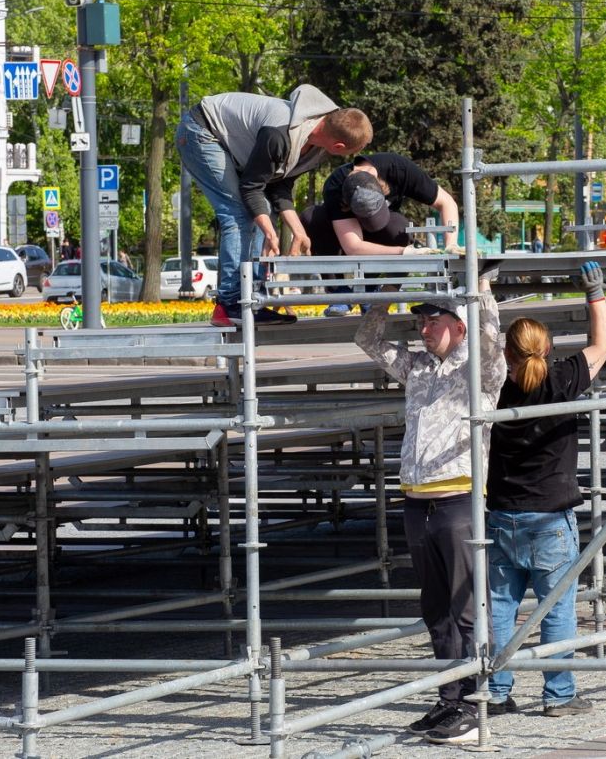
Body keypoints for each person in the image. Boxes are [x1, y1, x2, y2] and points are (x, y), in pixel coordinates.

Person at [356, 274, 506, 745]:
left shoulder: (478, 367)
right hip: (417, 500)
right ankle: (448, 699)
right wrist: (384, 297)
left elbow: (490, 337)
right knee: (435, 607)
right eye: (420, 319)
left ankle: (476, 700)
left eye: (433, 319)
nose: (423, 327)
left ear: (459, 325)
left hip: (458, 497)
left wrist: (479, 290)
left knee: (465, 606)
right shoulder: (419, 367)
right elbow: (368, 340)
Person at [484, 261, 606, 719]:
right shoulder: (562, 380)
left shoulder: (494, 388)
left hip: (502, 513)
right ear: (548, 348)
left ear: (507, 352)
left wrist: (482, 289)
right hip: (551, 516)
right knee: (556, 608)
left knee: (500, 608)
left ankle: (496, 693)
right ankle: (558, 696)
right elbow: (604, 344)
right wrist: (594, 293)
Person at [176, 84, 373, 327]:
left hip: (229, 146)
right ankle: (229, 304)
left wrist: (298, 231)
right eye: (345, 154)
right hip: (202, 130)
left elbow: (279, 188)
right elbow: (251, 188)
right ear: (339, 146)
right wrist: (270, 233)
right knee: (238, 214)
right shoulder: (280, 133)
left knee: (260, 212)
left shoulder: (314, 149)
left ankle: (253, 298)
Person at [301, 153, 460, 317]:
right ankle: (338, 291)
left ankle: (370, 288)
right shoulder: (335, 184)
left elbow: (447, 203)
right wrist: (403, 252)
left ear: (383, 189)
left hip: (382, 234)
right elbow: (353, 247)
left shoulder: (400, 170)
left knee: (400, 227)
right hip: (343, 235)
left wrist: (451, 244)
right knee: (312, 216)